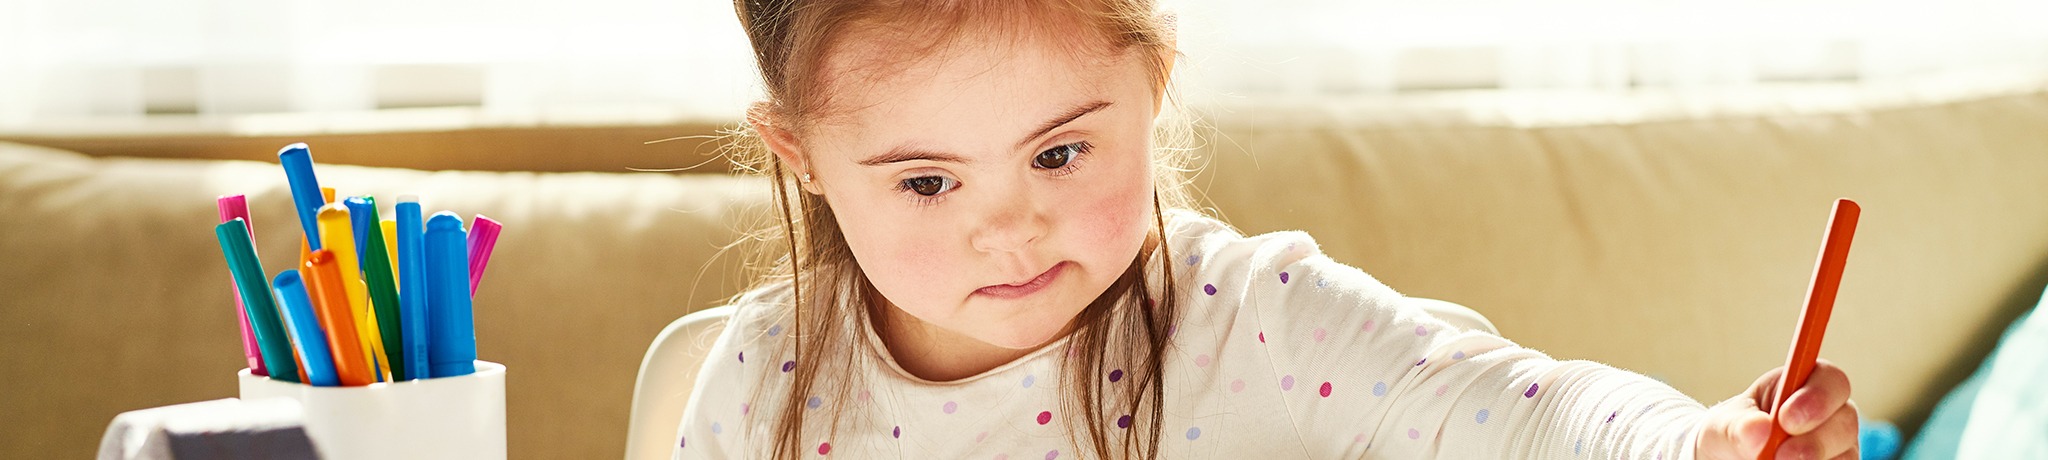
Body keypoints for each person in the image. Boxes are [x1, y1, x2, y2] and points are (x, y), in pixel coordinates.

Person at [675, 1, 1859, 458]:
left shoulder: (1259, 320)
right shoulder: (756, 381)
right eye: (927, 183)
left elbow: (1530, 412)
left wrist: (1691, 444)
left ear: (1155, 81)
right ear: (803, 159)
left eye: (1058, 152)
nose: (1011, 229)